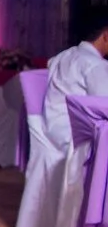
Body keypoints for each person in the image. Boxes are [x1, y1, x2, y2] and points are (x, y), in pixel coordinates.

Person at [42, 18, 108, 151]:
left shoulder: (64, 55)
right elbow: (104, 104)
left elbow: (49, 63)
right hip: (77, 136)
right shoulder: (95, 64)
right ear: (106, 35)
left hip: (52, 129)